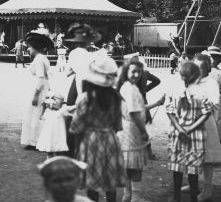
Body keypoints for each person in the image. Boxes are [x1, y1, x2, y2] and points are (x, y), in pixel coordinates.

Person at [70, 52, 125, 202]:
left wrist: (76, 150)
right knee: (110, 180)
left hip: (90, 142)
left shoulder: (85, 99)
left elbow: (76, 127)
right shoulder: (115, 98)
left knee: (91, 181)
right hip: (110, 140)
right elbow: (118, 125)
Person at [117, 58, 164, 202]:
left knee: (128, 165)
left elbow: (138, 108)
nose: (136, 75)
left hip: (126, 129)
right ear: (126, 72)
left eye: (139, 72)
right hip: (132, 129)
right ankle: (135, 197)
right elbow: (134, 113)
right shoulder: (130, 88)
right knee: (135, 166)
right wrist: (143, 131)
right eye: (133, 71)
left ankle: (127, 194)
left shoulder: (127, 86)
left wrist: (156, 103)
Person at [166, 61, 213, 202]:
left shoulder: (175, 90)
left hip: (177, 134)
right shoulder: (201, 92)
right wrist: (191, 128)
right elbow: (207, 113)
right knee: (193, 170)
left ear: (181, 75)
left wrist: (181, 129)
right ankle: (193, 197)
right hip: (196, 134)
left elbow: (170, 112)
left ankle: (176, 196)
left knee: (177, 167)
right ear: (197, 75)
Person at [64, 23, 101, 157]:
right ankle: (82, 147)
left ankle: (69, 146)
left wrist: (75, 70)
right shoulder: (89, 55)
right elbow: (87, 72)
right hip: (85, 84)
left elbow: (68, 72)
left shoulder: (73, 53)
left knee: (70, 112)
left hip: (75, 83)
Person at [193, 54, 221, 202]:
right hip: (191, 122)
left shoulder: (211, 83)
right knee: (193, 155)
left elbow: (214, 103)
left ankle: (208, 189)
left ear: (207, 68)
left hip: (205, 123)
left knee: (207, 159)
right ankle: (194, 184)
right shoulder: (191, 80)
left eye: (201, 67)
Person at [21, 30, 54, 150]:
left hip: (39, 89)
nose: (28, 50)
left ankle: (35, 141)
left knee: (36, 114)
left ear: (36, 48)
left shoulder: (39, 59)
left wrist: (35, 95)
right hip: (43, 88)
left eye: (30, 47)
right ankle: (35, 140)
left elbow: (40, 78)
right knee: (38, 113)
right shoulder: (43, 58)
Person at [37, 93, 71, 157]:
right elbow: (41, 118)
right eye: (61, 102)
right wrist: (43, 108)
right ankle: (50, 159)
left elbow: (69, 110)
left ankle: (53, 159)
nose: (61, 104)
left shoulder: (61, 111)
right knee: (50, 149)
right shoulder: (48, 111)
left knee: (55, 150)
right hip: (50, 136)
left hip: (57, 136)